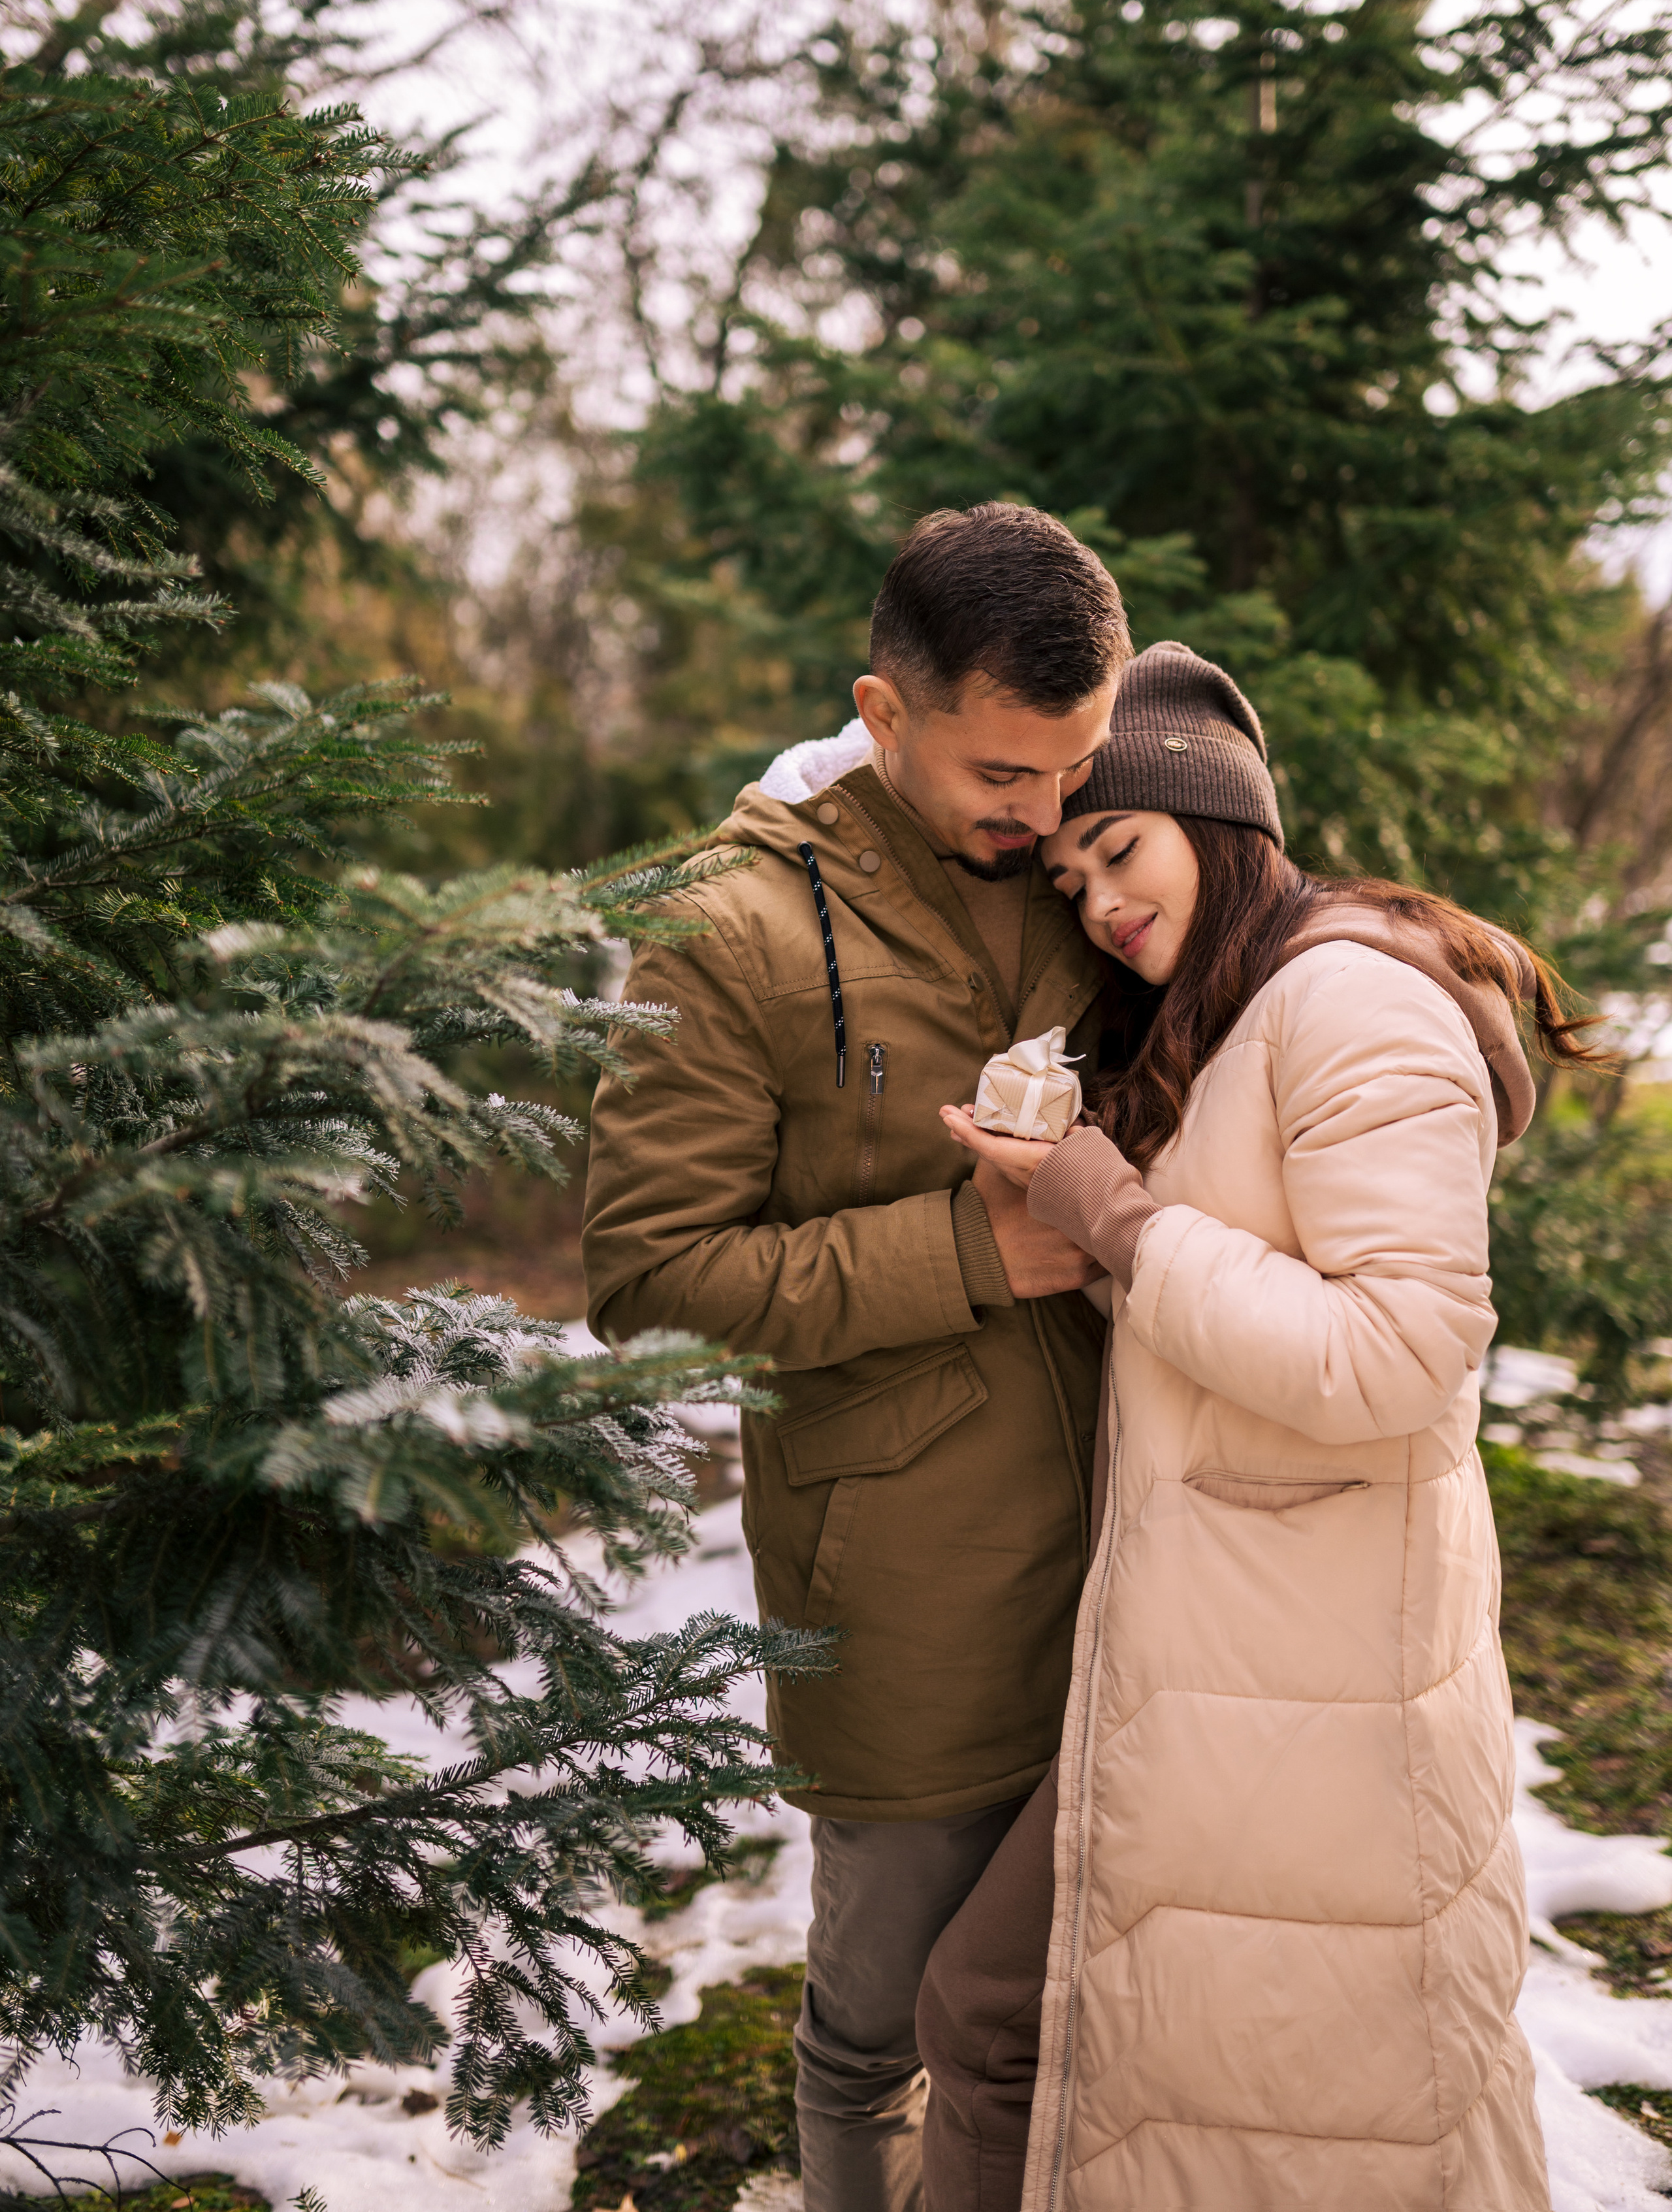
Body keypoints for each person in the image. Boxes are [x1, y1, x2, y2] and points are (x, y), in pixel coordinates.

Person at [918, 638, 1581, 2212]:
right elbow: (1228, 1316)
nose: (1098, 904)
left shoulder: (1347, 1006)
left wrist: (1121, 1218)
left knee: (1068, 2037)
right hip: (1239, 1654)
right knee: (1032, 2027)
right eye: (1070, 876)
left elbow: (1396, 1353)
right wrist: (1070, 1212)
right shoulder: (1242, 1016)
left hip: (1312, 1667)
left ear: (1222, 827)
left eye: (1120, 850)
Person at [582, 502, 1133, 2212]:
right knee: (877, 2024)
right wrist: (967, 1251)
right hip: (898, 1577)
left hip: (1145, 1542)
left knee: (1090, 2007)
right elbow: (648, 1275)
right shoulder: (726, 929)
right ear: (880, 715)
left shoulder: (1091, 854)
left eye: (1074, 766)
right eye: (999, 772)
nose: (1042, 814)